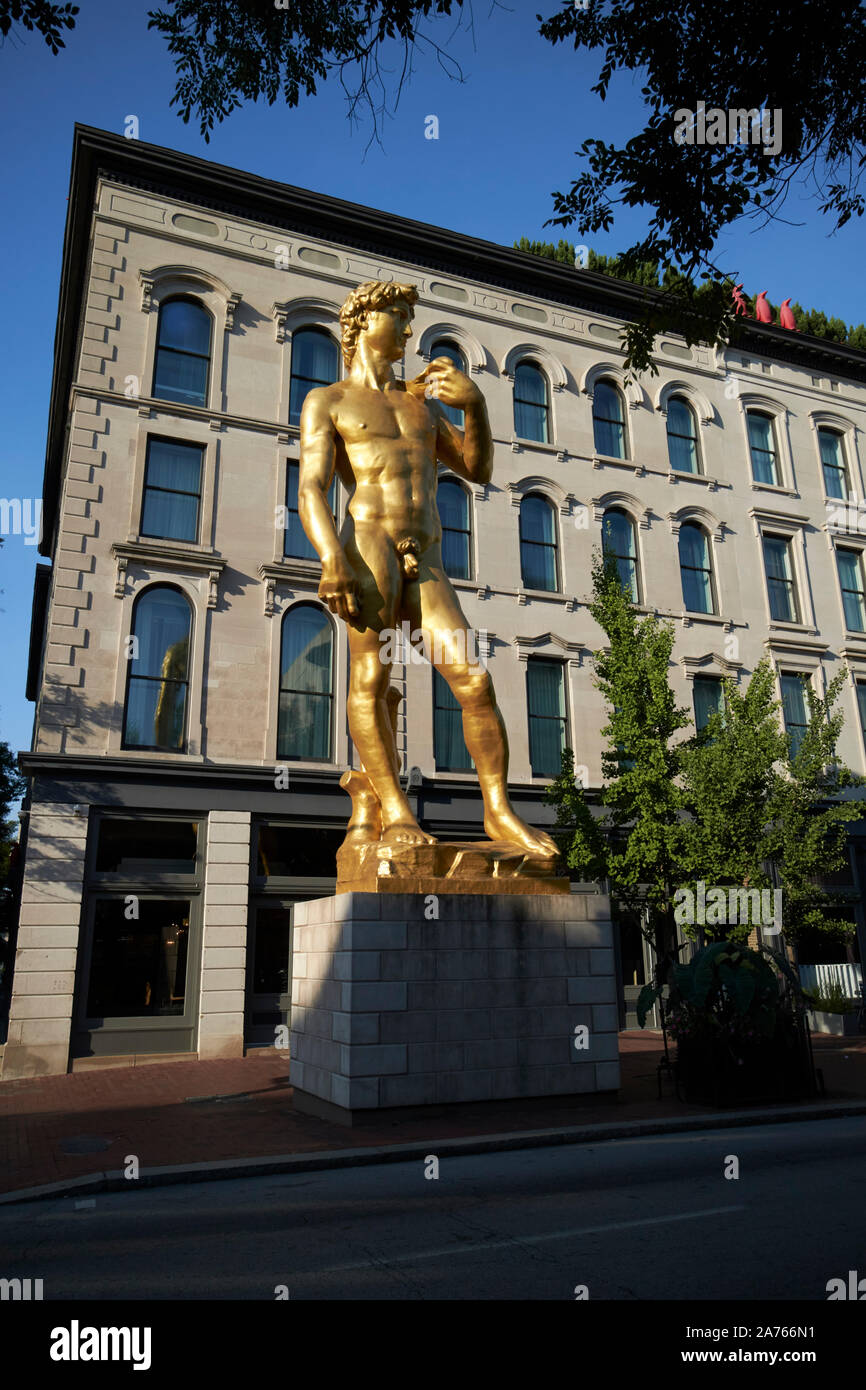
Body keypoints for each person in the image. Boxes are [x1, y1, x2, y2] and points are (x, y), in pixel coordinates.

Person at [298, 279, 558, 859]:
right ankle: (392, 808)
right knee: (373, 680)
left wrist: (476, 405)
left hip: (428, 556)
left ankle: (498, 810)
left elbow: (476, 467)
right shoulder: (329, 401)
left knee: (474, 679)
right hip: (368, 544)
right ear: (364, 322)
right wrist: (331, 559)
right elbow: (311, 488)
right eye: (399, 316)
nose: (410, 330)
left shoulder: (419, 404)